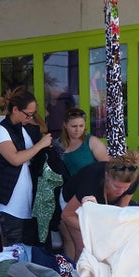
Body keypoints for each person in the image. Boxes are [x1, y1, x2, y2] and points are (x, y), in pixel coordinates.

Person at [0, 88, 52, 246]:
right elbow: (14, 159)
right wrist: (40, 145)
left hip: (29, 200)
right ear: (15, 110)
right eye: (28, 114)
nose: (30, 118)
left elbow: (41, 132)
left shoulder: (24, 128)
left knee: (29, 248)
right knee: (13, 249)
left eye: (33, 114)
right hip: (9, 202)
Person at [60, 150, 139, 259]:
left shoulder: (133, 180)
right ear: (107, 176)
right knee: (83, 248)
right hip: (73, 205)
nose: (121, 191)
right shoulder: (91, 183)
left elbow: (119, 212)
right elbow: (67, 215)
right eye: (117, 186)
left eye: (126, 187)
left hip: (102, 203)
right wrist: (96, 229)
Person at [52, 107, 110, 259]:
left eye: (81, 126)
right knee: (68, 239)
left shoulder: (91, 142)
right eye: (73, 126)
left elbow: (107, 169)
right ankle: (71, 270)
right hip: (67, 195)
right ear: (65, 125)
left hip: (89, 197)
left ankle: (85, 270)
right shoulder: (58, 145)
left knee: (84, 242)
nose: (78, 130)